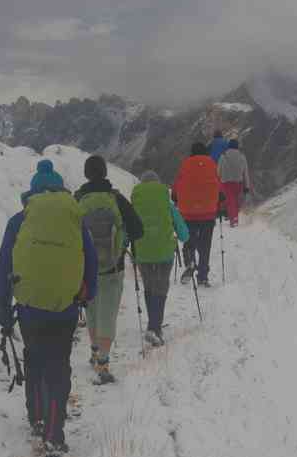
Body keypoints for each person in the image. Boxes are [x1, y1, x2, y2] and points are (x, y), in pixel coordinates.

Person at [0, 159, 98, 457]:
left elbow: (4, 266)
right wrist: (87, 294)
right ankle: (54, 433)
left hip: (29, 308)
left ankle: (36, 416)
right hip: (65, 307)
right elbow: (90, 260)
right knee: (58, 365)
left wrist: (3, 308)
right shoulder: (75, 219)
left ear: (33, 193)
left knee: (34, 358)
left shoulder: (19, 221)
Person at [74, 155, 144, 384]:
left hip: (86, 268)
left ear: (86, 174)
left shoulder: (78, 199)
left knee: (92, 311)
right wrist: (123, 241)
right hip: (114, 266)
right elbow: (138, 229)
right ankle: (103, 363)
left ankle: (94, 352)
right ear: (104, 172)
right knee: (108, 314)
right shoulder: (116, 198)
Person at [131, 171, 189, 346]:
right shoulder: (167, 203)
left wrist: (124, 244)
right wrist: (183, 237)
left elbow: (127, 226)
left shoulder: (135, 204)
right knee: (161, 288)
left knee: (149, 287)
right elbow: (183, 231)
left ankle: (153, 323)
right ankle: (155, 328)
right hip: (164, 251)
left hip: (142, 252)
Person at [173, 142, 222, 287]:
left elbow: (177, 186)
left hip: (188, 213)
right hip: (208, 212)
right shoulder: (212, 164)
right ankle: (203, 276)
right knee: (205, 245)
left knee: (189, 240)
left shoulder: (185, 164)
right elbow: (218, 184)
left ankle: (190, 262)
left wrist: (176, 198)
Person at [217, 139, 252, 227]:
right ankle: (234, 218)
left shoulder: (223, 156)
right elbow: (245, 173)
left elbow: (218, 172)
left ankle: (232, 219)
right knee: (235, 201)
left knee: (230, 201)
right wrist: (247, 187)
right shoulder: (242, 156)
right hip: (238, 183)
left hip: (226, 183)